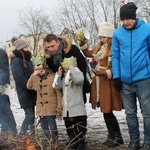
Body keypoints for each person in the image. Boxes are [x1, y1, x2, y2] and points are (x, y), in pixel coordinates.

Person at [112, 2, 150, 150]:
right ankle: (134, 140)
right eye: (123, 19)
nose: (125, 22)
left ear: (134, 17)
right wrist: (117, 76)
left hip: (144, 79)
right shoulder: (117, 34)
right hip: (125, 82)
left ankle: (148, 141)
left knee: (147, 113)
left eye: (128, 19)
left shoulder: (147, 30)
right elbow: (115, 56)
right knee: (130, 113)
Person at [79, 22, 123, 147]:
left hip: (107, 84)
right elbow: (88, 53)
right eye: (100, 37)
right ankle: (111, 135)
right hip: (99, 83)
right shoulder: (99, 49)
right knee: (104, 111)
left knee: (108, 110)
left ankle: (117, 136)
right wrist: (82, 42)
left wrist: (104, 73)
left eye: (104, 37)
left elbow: (115, 68)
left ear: (110, 37)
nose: (102, 40)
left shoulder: (113, 50)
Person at [43, 34, 90, 103]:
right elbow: (52, 71)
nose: (50, 49)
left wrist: (78, 77)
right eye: (48, 47)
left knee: (79, 108)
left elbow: (82, 64)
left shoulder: (72, 49)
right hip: (62, 86)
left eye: (52, 46)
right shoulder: (48, 57)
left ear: (58, 42)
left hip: (76, 84)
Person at [26, 54, 62, 143]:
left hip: (51, 107)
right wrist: (33, 75)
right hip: (41, 108)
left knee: (52, 125)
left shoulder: (52, 77)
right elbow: (29, 86)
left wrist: (59, 106)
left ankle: (54, 141)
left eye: (41, 71)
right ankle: (47, 140)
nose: (39, 72)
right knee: (44, 126)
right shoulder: (36, 78)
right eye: (37, 71)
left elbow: (58, 93)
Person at [53, 56, 87, 150]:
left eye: (68, 68)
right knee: (70, 127)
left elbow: (79, 81)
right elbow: (56, 86)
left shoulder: (78, 73)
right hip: (68, 108)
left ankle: (81, 143)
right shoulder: (66, 78)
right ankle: (74, 141)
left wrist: (72, 69)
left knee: (79, 127)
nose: (67, 70)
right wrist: (59, 74)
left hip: (77, 108)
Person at [9, 39, 36, 136]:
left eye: (28, 47)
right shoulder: (16, 61)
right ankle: (22, 135)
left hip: (32, 92)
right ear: (20, 49)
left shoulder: (28, 61)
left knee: (32, 116)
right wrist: (29, 86)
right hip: (24, 92)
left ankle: (33, 135)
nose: (28, 49)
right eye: (25, 47)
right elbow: (19, 78)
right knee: (29, 115)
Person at [0, 48, 17, 135]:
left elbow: (4, 71)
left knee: (5, 109)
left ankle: (11, 130)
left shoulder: (1, 52)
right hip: (3, 86)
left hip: (3, 87)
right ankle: (5, 129)